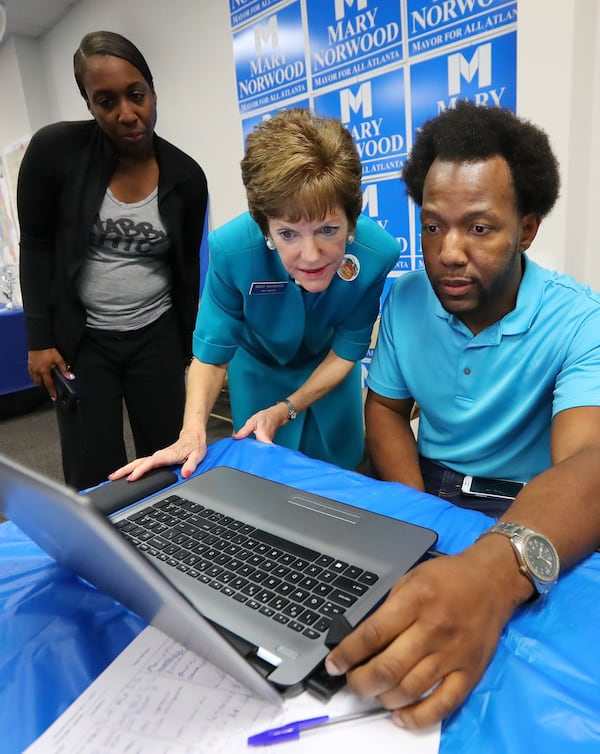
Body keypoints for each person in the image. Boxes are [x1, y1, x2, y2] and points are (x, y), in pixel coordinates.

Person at [325, 101, 600, 728]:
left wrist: (493, 569)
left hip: (533, 505)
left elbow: (589, 461)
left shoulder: (581, 320)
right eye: (432, 226)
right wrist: (420, 517)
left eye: (479, 228)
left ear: (527, 229)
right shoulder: (403, 298)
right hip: (428, 482)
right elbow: (387, 412)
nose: (447, 252)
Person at [112, 108, 400, 481]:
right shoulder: (232, 251)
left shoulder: (376, 255)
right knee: (265, 486)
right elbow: (212, 357)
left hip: (331, 378)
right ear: (265, 225)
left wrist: (286, 409)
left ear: (352, 218)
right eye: (288, 234)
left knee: (344, 480)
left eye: (329, 230)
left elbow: (347, 350)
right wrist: (192, 432)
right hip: (258, 377)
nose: (311, 255)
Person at [17, 31, 208, 490]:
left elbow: (185, 268)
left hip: (156, 334)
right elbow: (37, 245)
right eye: (106, 101)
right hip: (83, 340)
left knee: (167, 456)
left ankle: (174, 547)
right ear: (89, 105)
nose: (126, 113)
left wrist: (190, 344)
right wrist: (39, 338)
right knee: (91, 466)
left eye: (136, 95)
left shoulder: (187, 177)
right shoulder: (54, 153)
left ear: (153, 91)